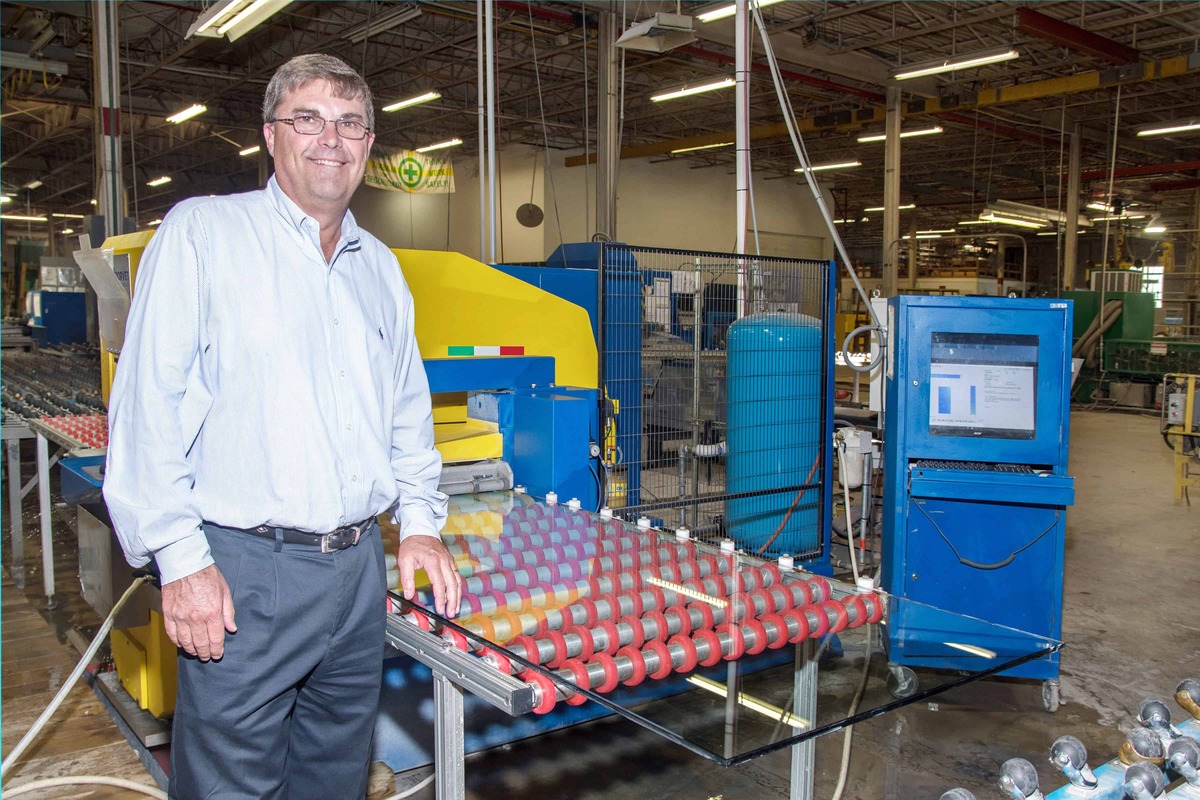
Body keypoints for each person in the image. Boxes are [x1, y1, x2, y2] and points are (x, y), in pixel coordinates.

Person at [104, 53, 462, 800]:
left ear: (368, 145)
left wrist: (421, 523)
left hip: (358, 570)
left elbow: (405, 413)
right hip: (244, 574)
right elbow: (146, 411)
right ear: (271, 135)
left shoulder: (381, 271)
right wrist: (180, 559)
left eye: (350, 123)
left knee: (333, 778)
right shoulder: (205, 235)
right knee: (232, 785)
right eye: (309, 118)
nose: (331, 138)